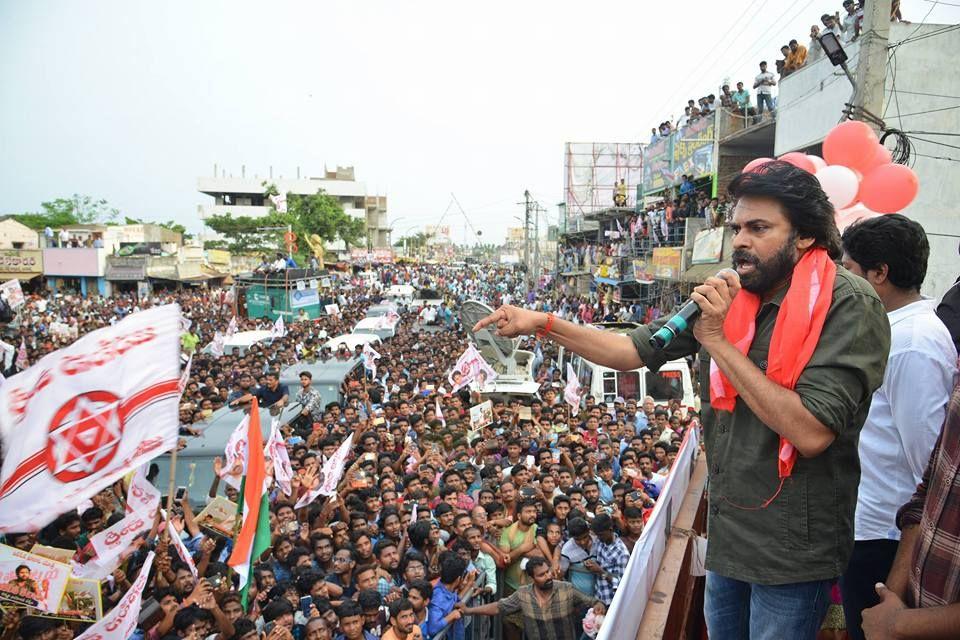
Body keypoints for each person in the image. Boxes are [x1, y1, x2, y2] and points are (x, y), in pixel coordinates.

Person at [474, 161, 890, 639]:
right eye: (737, 228)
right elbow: (630, 350)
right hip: (730, 534)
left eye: (759, 228)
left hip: (791, 550)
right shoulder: (731, 296)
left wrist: (716, 341)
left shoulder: (848, 303)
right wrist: (542, 322)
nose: (740, 241)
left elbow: (812, 431)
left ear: (805, 236)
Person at [839, 215, 958, 640]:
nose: (841, 281)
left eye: (848, 269)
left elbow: (930, 461)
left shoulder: (913, 343)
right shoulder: (892, 331)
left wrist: (901, 567)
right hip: (874, 527)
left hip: (887, 537)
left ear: (880, 274)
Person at [861, 380, 960, 638]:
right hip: (911, 609)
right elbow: (930, 488)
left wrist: (896, 624)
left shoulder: (914, 345)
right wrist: (890, 597)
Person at [459, 557, 606, 640]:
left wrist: (599, 604)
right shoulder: (523, 594)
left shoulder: (566, 588)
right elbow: (499, 606)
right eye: (542, 575)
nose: (548, 576)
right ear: (532, 578)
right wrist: (469, 610)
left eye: (548, 572)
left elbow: (592, 602)